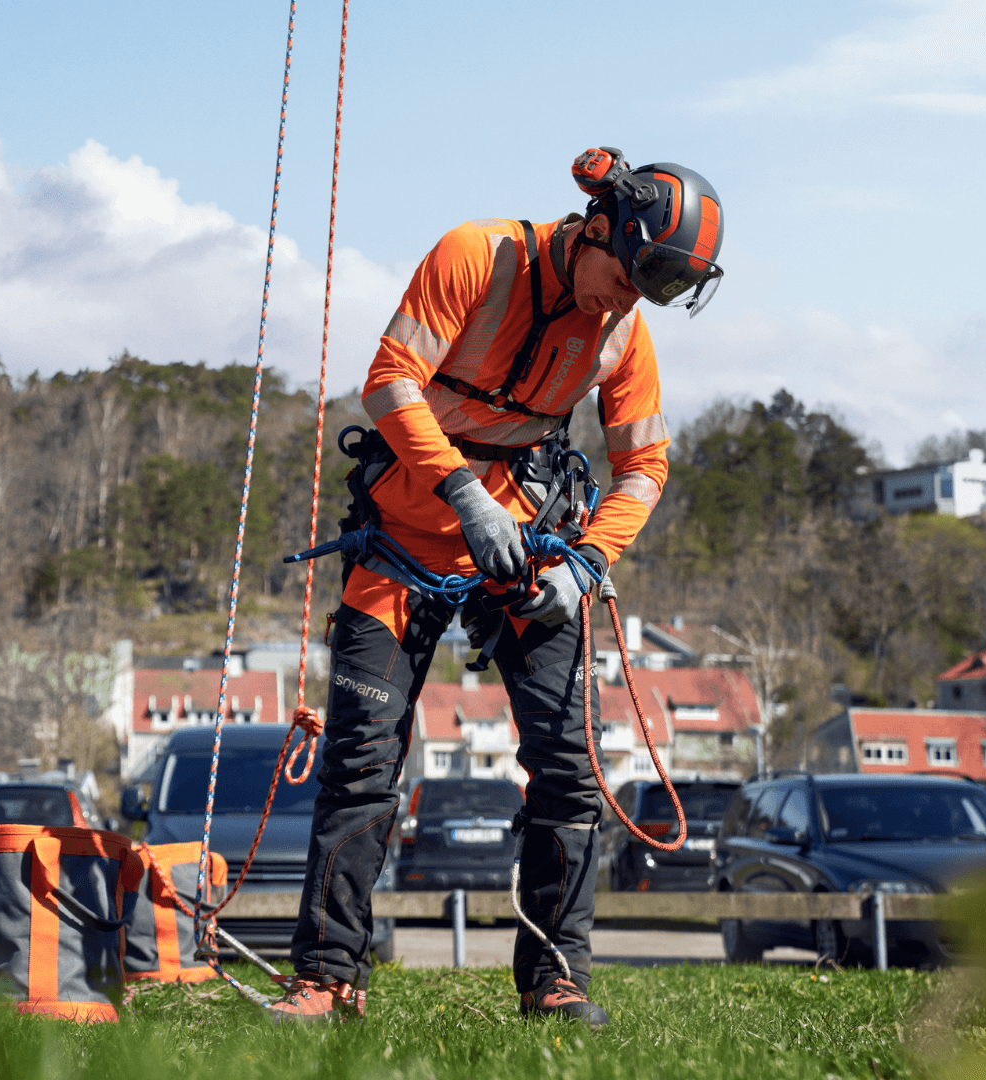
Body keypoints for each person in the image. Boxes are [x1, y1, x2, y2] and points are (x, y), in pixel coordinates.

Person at [266, 148, 723, 1026]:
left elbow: (645, 465)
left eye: (646, 293)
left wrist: (589, 561)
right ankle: (328, 978)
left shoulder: (624, 329)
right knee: (361, 763)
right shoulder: (476, 255)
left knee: (569, 768)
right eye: (624, 278)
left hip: (529, 549)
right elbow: (389, 381)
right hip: (402, 535)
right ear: (597, 228)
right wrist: (464, 493)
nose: (622, 302)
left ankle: (556, 981)